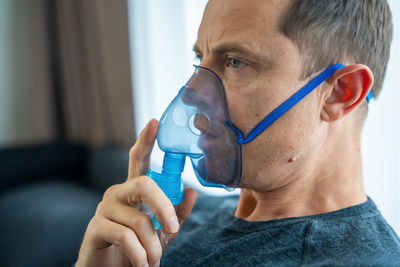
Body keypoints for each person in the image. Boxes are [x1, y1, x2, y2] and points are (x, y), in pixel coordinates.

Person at [75, 0, 400, 266]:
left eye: (234, 62)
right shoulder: (183, 217)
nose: (191, 95)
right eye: (200, 58)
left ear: (340, 92)